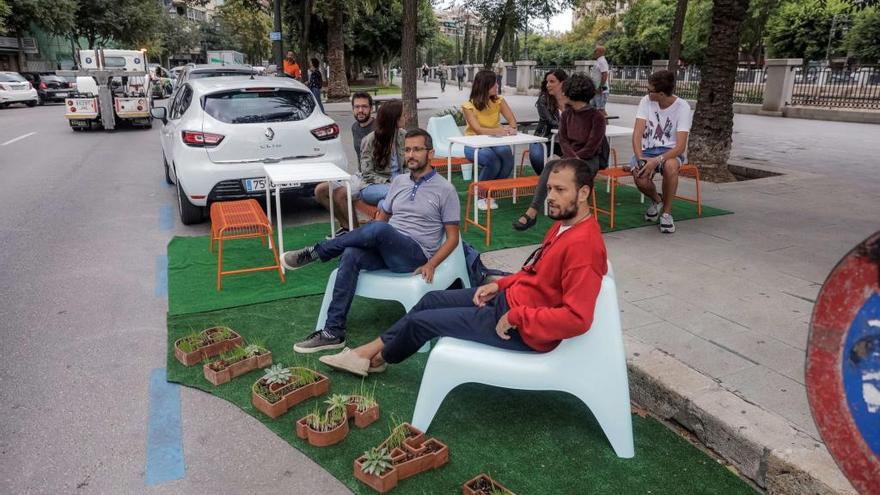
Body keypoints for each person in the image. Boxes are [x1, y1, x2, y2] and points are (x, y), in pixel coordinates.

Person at [317, 157, 607, 377]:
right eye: (550, 189)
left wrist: (518, 316)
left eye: (560, 190)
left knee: (422, 322)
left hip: (517, 328)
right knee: (429, 299)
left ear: (583, 193)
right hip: (506, 301)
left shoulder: (584, 246)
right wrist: (500, 284)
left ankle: (372, 356)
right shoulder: (563, 227)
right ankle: (374, 357)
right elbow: (535, 273)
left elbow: (577, 319)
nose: (551, 197)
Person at [282, 129, 462, 353]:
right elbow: (384, 216)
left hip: (415, 254)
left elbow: (453, 238)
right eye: (407, 150)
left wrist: (431, 264)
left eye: (417, 149)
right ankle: (333, 332)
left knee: (377, 228)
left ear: (431, 153)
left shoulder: (446, 189)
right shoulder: (399, 182)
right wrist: (372, 235)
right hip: (388, 248)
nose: (411, 155)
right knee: (351, 255)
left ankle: (318, 251)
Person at [514, 73, 608, 231]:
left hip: (589, 160)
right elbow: (563, 139)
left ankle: (574, 218)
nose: (563, 93)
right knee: (551, 166)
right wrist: (571, 159)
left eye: (566, 90)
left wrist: (576, 160)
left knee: (573, 176)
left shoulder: (596, 117)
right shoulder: (567, 114)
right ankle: (532, 211)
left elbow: (592, 146)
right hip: (570, 157)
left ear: (573, 93)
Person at [630, 69, 692, 234]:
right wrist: (640, 157)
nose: (647, 93)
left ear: (662, 94)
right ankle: (657, 200)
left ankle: (666, 213)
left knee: (670, 167)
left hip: (670, 151)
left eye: (650, 90)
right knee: (640, 177)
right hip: (647, 150)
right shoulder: (646, 101)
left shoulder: (682, 107)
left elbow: (680, 147)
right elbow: (637, 134)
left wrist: (656, 161)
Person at [314, 92, 374, 235]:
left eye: (364, 107)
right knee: (320, 191)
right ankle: (347, 227)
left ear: (371, 109)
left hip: (372, 178)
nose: (360, 110)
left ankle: (356, 234)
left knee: (341, 194)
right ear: (352, 109)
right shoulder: (355, 127)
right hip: (359, 175)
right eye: (357, 107)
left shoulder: (378, 128)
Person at [461, 69, 518, 210]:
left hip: (495, 140)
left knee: (507, 157)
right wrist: (500, 130)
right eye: (494, 84)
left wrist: (512, 128)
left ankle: (491, 192)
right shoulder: (468, 106)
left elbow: (512, 119)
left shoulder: (499, 101)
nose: (497, 86)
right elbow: (477, 130)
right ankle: (480, 196)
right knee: (493, 161)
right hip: (473, 144)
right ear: (484, 86)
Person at [357, 100, 406, 208]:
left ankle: (382, 221)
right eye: (403, 115)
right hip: (373, 185)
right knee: (396, 194)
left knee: (385, 203)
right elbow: (367, 174)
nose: (405, 117)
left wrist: (406, 180)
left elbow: (407, 166)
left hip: (400, 184)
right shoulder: (370, 140)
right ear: (394, 118)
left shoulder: (403, 136)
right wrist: (391, 182)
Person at [526, 69, 568, 178]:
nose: (548, 85)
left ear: (562, 83)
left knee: (576, 157)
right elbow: (551, 122)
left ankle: (565, 182)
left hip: (565, 140)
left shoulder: (572, 99)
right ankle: (545, 180)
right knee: (536, 156)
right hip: (544, 137)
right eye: (547, 82)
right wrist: (571, 126)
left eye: (552, 82)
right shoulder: (543, 99)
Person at [590, 46, 610, 117]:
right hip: (596, 90)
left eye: (596, 51)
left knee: (600, 110)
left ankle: (605, 124)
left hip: (601, 90)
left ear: (601, 52)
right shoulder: (599, 61)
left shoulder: (602, 61)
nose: (594, 52)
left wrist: (600, 87)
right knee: (593, 108)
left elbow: (605, 74)